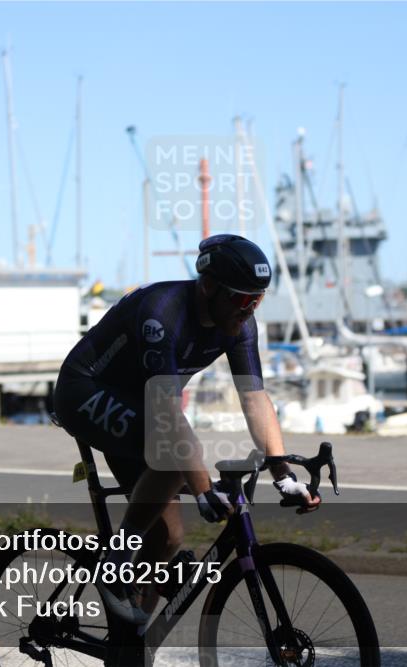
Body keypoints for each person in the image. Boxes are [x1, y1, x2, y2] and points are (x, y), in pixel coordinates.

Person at [53, 234, 320, 625]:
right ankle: (115, 563)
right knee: (176, 455)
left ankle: (134, 645)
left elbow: (254, 397)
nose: (249, 310)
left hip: (140, 405)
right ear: (209, 286)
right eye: (243, 299)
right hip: (85, 390)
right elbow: (167, 417)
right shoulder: (162, 314)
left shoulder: (240, 325)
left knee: (167, 538)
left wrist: (283, 474)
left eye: (258, 299)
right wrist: (202, 491)